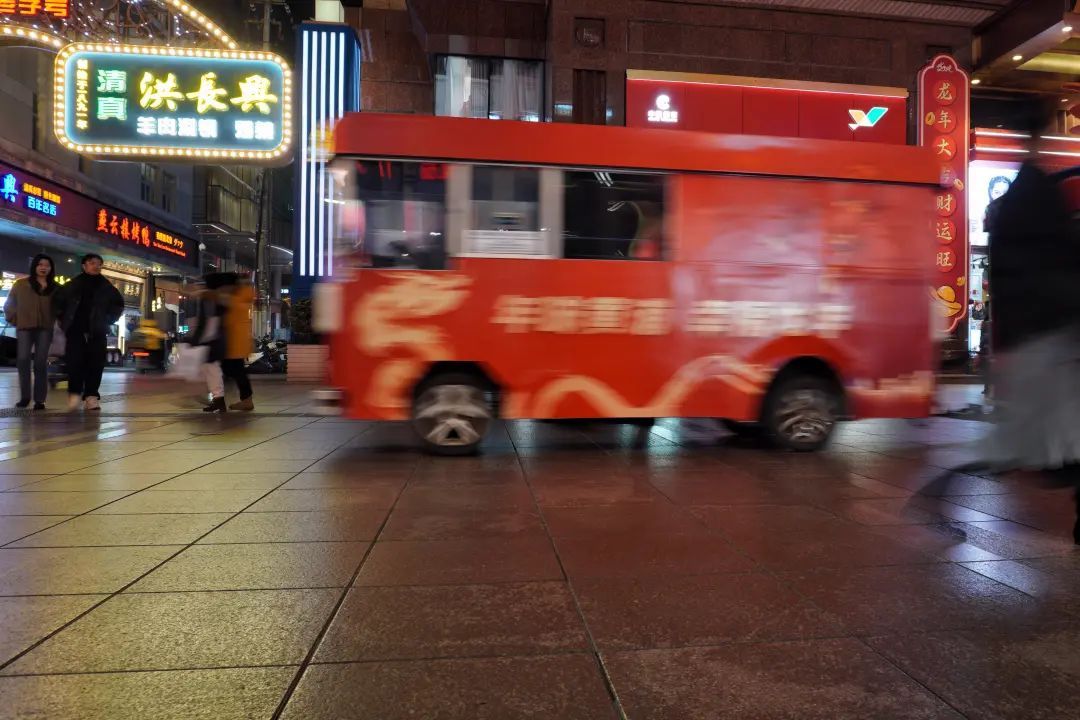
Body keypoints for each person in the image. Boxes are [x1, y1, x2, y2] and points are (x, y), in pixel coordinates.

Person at [53, 254, 124, 412]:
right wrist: (64, 321)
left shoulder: (107, 287)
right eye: (92, 263)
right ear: (84, 265)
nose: (96, 266)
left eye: (99, 264)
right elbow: (58, 304)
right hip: (75, 331)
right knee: (74, 363)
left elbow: (118, 305)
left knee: (96, 364)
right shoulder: (72, 285)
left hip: (98, 331)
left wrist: (107, 320)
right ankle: (74, 393)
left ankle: (91, 396)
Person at [2, 254, 58, 410]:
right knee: (23, 360)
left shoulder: (55, 288)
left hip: (45, 328)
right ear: (34, 266)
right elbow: (9, 305)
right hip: (24, 328)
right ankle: (25, 397)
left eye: (47, 265)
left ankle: (40, 400)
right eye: (40, 264)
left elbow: (61, 308)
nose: (43, 267)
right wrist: (16, 320)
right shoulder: (21, 284)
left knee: (40, 362)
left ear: (51, 268)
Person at [193, 273, 229, 413]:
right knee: (211, 371)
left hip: (211, 342)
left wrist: (197, 340)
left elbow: (208, 321)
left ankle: (218, 400)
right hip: (216, 340)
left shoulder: (209, 298)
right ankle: (217, 400)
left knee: (212, 371)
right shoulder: (219, 298)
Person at [220, 273, 255, 411]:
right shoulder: (242, 296)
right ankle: (246, 399)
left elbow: (223, 300)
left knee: (236, 371)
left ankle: (246, 400)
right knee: (236, 371)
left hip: (235, 342)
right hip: (236, 341)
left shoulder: (238, 298)